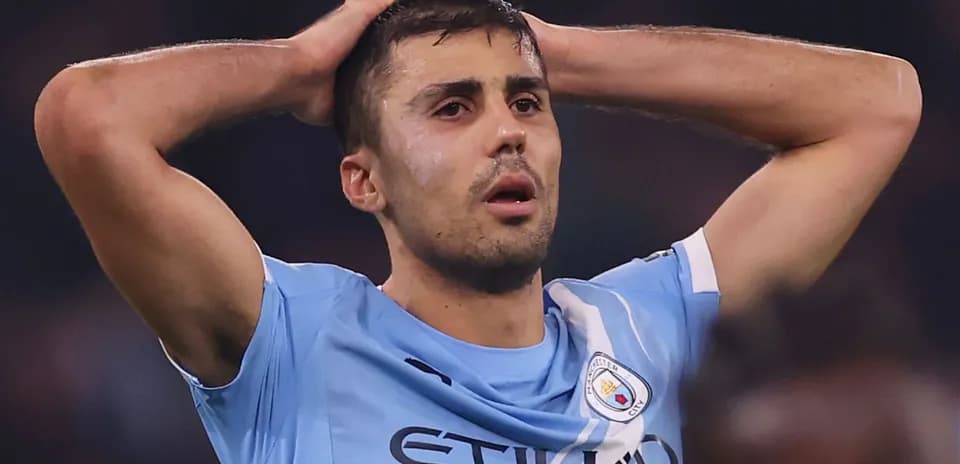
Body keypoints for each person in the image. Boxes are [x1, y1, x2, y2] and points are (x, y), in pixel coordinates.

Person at [33, 0, 922, 462]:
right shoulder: (290, 339)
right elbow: (89, 116)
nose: (508, 131)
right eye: (452, 107)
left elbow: (877, 103)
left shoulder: (650, 328)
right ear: (363, 178)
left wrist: (552, 49)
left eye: (526, 105)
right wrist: (303, 64)